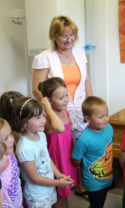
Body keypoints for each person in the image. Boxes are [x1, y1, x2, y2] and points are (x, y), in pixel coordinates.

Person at [32, 16, 91, 198]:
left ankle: (81, 186)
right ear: (54, 36)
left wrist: (90, 106)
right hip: (58, 112)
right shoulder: (44, 57)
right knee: (64, 149)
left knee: (81, 148)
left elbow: (86, 81)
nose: (68, 40)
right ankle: (63, 184)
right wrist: (52, 109)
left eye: (72, 35)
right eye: (63, 36)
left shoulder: (80, 53)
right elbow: (37, 89)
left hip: (80, 109)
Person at [12, 97, 74, 208]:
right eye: (37, 118)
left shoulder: (41, 134)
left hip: (49, 189)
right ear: (23, 123)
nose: (43, 121)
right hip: (37, 196)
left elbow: (46, 158)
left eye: (43, 115)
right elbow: (34, 178)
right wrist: (58, 183)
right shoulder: (25, 148)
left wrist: (59, 175)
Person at [38, 77, 78, 208]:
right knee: (59, 193)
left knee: (65, 192)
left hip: (66, 156)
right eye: (61, 98)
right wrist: (48, 109)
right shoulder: (47, 118)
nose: (66, 99)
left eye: (66, 95)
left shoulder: (64, 111)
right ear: (48, 101)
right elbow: (59, 128)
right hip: (57, 158)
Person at [72, 96, 114, 208]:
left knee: (100, 202)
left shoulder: (109, 128)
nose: (105, 119)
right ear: (88, 119)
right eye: (101, 117)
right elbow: (76, 159)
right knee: (97, 204)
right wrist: (85, 165)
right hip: (93, 182)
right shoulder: (83, 139)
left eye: (107, 114)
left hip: (107, 176)